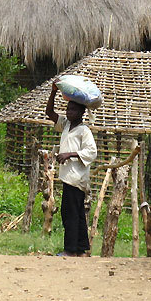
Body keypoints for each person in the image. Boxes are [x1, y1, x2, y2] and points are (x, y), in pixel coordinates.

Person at [46, 82, 97, 257]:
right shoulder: (66, 125)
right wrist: (53, 93)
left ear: (82, 113)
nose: (69, 113)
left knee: (70, 214)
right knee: (77, 214)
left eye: (73, 110)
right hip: (68, 177)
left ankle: (70, 249)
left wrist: (69, 154)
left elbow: (91, 152)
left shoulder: (84, 131)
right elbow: (50, 113)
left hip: (77, 178)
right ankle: (82, 249)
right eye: (68, 109)